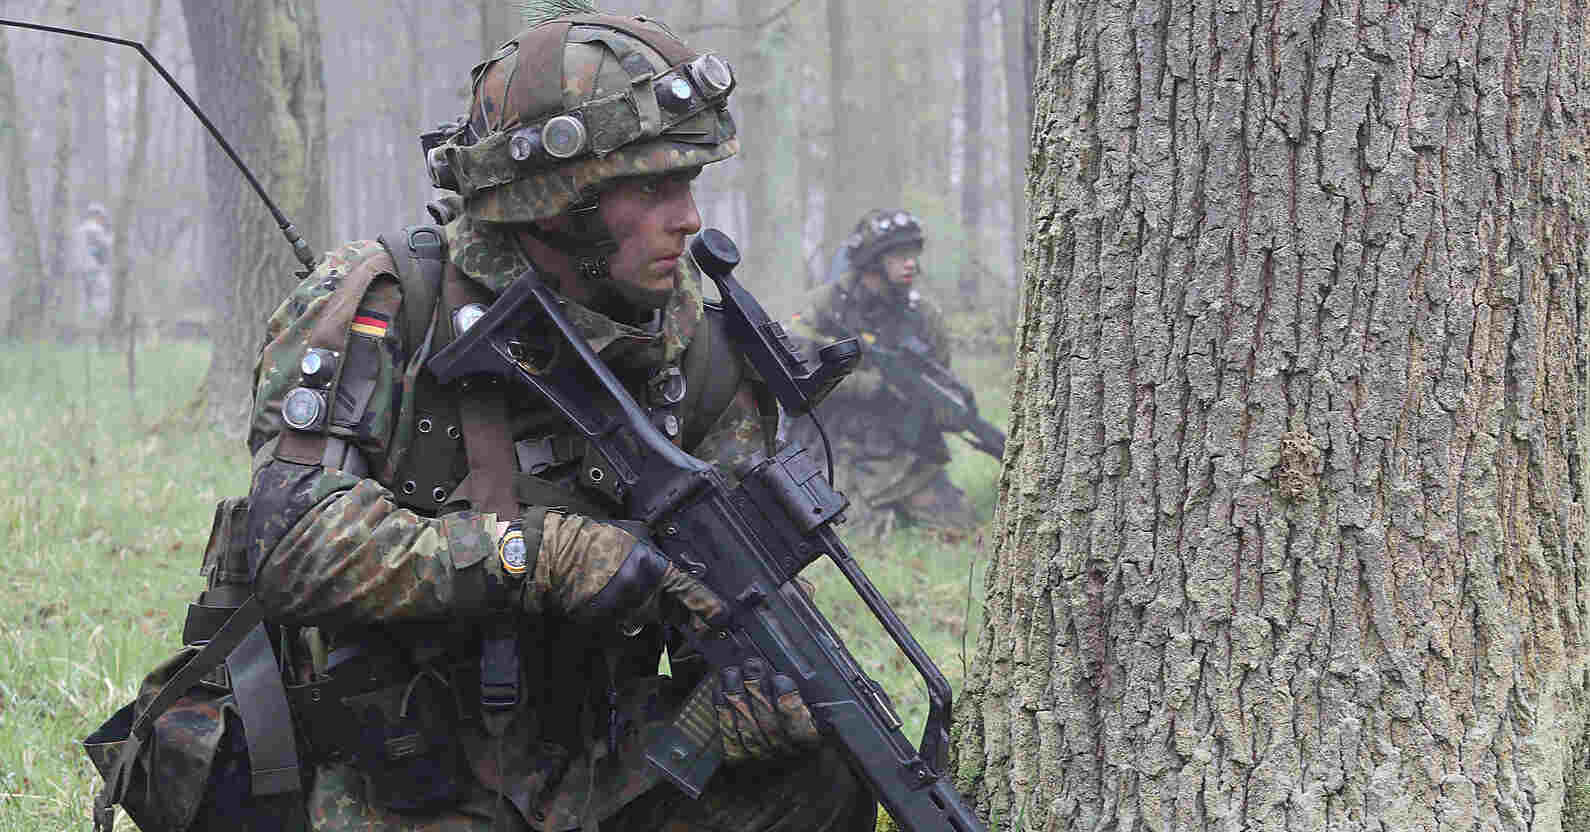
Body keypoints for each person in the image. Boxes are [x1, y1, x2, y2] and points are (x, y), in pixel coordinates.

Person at [244, 8, 874, 830]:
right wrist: (540, 555)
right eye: (651, 188)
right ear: (556, 204)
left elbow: (724, 596)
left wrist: (748, 693)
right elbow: (291, 547)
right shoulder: (390, 303)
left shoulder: (703, 354)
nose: (688, 217)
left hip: (595, 762)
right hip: (392, 780)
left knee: (825, 774)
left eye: (689, 184)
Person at [788, 209, 980, 539]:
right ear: (873, 260)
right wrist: (869, 386)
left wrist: (945, 411)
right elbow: (794, 373)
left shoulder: (922, 316)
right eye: (899, 256)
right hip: (831, 444)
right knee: (851, 532)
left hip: (895, 450)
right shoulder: (825, 306)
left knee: (957, 523)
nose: (911, 264)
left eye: (913, 255)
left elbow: (939, 379)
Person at [70, 201, 113, 331]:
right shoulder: (96, 230)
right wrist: (112, 238)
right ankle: (99, 326)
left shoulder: (78, 230)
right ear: (97, 216)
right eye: (102, 217)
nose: (103, 220)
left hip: (79, 269)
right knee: (101, 295)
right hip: (95, 269)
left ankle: (80, 327)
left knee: (82, 300)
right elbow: (105, 246)